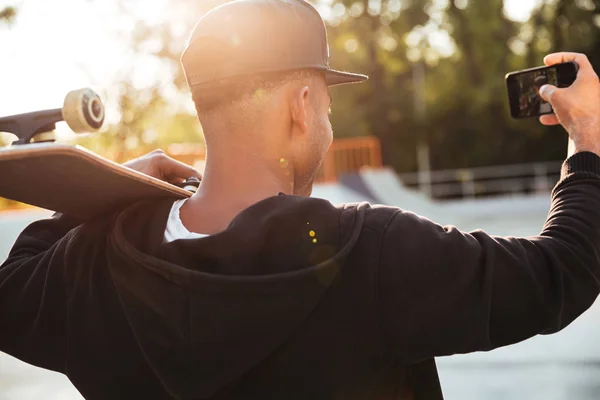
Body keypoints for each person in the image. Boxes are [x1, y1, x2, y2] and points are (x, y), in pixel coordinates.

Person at [2, 0, 600, 399]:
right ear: (302, 106)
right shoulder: (372, 254)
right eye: (327, 105)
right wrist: (588, 147)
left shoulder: (91, 265)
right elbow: (559, 272)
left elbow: (11, 293)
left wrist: (94, 197)